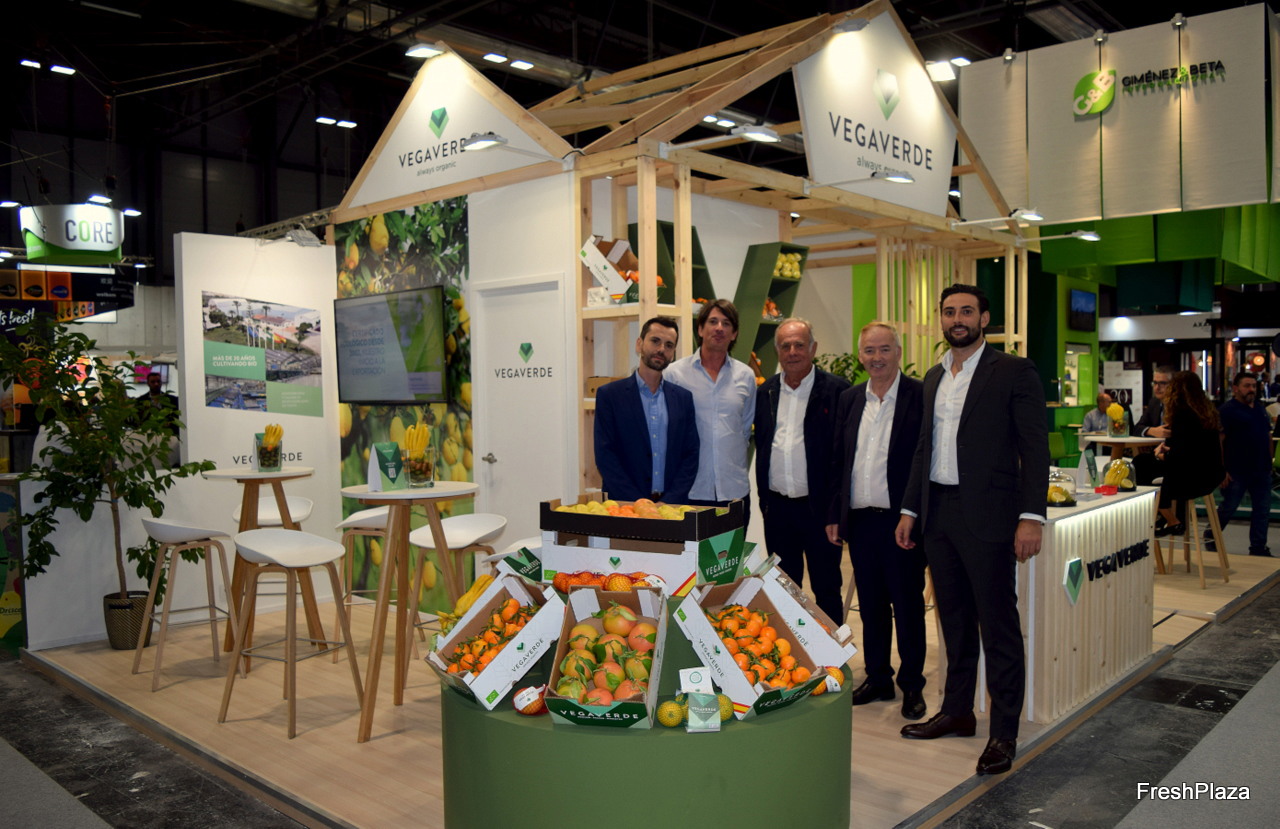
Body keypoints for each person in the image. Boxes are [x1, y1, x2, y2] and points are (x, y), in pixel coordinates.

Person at [893, 283, 1049, 777]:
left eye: (966, 311)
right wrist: (910, 510)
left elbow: (1035, 447)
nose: (956, 319)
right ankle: (958, 711)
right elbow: (925, 448)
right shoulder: (935, 376)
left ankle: (1004, 732)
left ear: (984, 318)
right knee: (955, 621)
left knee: (997, 624)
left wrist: (1032, 515)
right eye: (949, 312)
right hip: (938, 513)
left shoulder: (1014, 371)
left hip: (990, 514)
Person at [825, 322, 926, 720]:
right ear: (860, 355)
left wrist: (911, 512)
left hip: (902, 522)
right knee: (870, 606)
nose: (877, 358)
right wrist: (835, 514)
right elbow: (838, 461)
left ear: (898, 353)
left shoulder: (919, 395)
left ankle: (912, 684)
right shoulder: (851, 399)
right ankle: (879, 677)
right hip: (861, 522)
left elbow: (924, 460)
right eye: (869, 350)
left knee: (907, 605)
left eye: (884, 349)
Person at [753, 318, 849, 623]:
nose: (792, 352)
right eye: (786, 346)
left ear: (813, 348)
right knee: (784, 588)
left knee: (827, 587)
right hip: (778, 510)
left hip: (820, 511)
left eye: (799, 345)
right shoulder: (766, 392)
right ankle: (791, 648)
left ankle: (832, 650)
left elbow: (844, 458)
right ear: (777, 351)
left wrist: (836, 511)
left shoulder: (838, 391)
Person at [664, 299, 756, 526]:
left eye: (726, 323)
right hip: (689, 491)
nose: (719, 328)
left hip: (734, 492)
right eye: (713, 322)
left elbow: (744, 429)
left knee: (732, 551)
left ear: (734, 334)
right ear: (700, 329)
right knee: (691, 551)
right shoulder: (675, 375)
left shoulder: (746, 376)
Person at [594, 316, 699, 503]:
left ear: (673, 353)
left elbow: (690, 455)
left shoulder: (683, 399)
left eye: (669, 345)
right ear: (639, 344)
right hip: (624, 506)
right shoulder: (610, 396)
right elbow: (605, 455)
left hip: (671, 507)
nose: (661, 349)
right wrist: (639, 503)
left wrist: (669, 501)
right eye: (655, 341)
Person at [1153, 371, 1224, 536]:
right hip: (1211, 475)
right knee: (1162, 469)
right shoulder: (1207, 413)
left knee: (1141, 466)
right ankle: (1170, 516)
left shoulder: (1182, 414)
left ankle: (1170, 518)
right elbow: (1191, 451)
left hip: (1191, 478)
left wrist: (1160, 455)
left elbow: (1180, 458)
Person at [1211, 373, 1272, 556]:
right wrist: (1221, 469)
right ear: (1236, 388)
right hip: (1237, 469)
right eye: (1247, 386)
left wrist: (1269, 462)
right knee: (1228, 508)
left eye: (1253, 385)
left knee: (1262, 511)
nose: (1251, 389)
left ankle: (1258, 547)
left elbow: (1267, 435)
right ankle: (1211, 536)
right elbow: (1219, 440)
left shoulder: (1260, 409)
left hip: (1261, 469)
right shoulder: (1227, 411)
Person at [1130, 367, 1173, 484]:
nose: (1157, 388)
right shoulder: (1154, 403)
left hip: (1174, 457)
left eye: (1162, 383)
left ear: (1172, 385)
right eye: (1155, 383)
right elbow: (1137, 428)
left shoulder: (1179, 406)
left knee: (1140, 463)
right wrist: (1152, 431)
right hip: (1157, 453)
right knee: (1138, 462)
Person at [135, 371, 180, 436]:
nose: (156, 384)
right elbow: (138, 420)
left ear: (161, 382)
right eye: (153, 382)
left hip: (168, 435)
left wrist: (170, 423)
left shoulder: (172, 400)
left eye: (158, 381)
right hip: (147, 434)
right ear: (148, 383)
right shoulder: (140, 401)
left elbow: (178, 418)